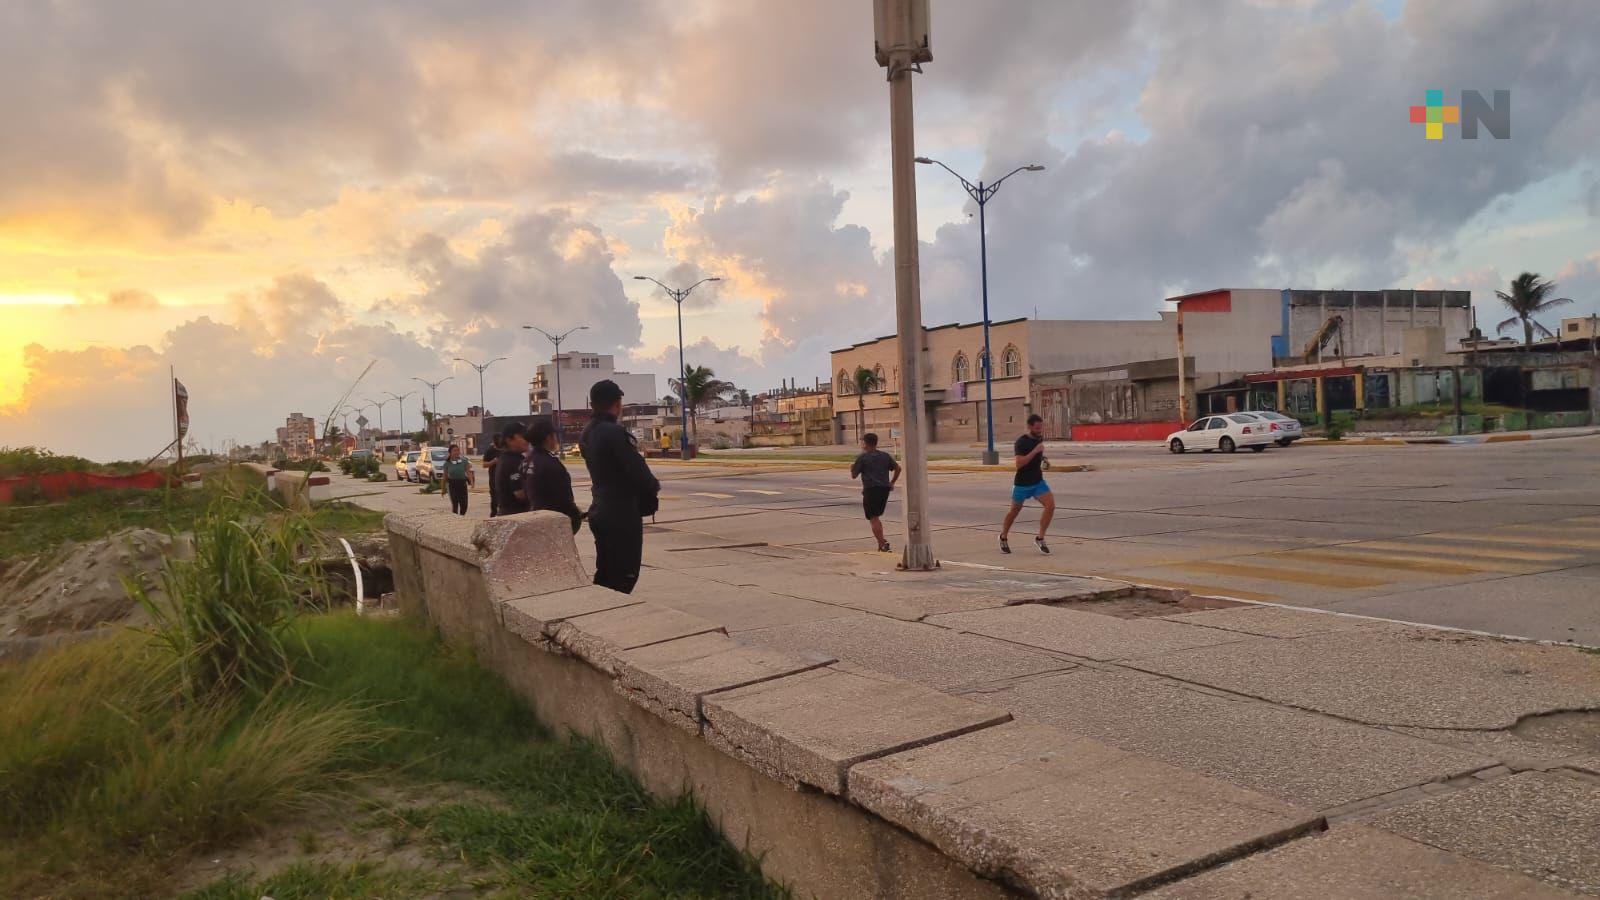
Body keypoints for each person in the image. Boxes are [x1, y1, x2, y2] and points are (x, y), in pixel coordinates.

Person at [580, 379, 660, 594]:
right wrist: (653, 489)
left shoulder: (587, 433)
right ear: (617, 404)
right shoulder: (614, 432)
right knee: (624, 576)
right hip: (621, 514)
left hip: (601, 509)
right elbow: (640, 474)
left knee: (606, 574)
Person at [1000, 414, 1055, 554]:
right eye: (1037, 427)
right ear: (1030, 426)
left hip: (1037, 481)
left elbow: (1037, 455)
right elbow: (1019, 464)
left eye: (1041, 426)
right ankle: (1003, 536)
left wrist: (1043, 459)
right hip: (1022, 484)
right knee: (1014, 512)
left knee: (1050, 506)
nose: (1039, 429)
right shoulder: (1021, 442)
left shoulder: (1039, 438)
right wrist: (1035, 451)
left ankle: (1040, 537)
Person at [519, 420, 583, 533]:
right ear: (548, 438)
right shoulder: (551, 463)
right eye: (555, 435)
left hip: (536, 517)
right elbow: (564, 499)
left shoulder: (526, 462)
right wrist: (575, 516)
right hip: (555, 522)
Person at [849, 432, 901, 552]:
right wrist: (892, 482)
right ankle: (880, 544)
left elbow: (854, 475)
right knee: (876, 516)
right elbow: (898, 468)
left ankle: (882, 543)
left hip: (871, 490)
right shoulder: (885, 456)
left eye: (862, 442)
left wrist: (852, 468)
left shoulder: (863, 457)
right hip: (884, 490)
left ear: (865, 443)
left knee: (873, 518)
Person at [495, 423, 531, 515]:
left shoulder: (509, 458)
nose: (527, 440)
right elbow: (520, 493)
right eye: (523, 437)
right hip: (515, 515)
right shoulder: (512, 462)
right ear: (509, 440)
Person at [442, 444, 474, 515]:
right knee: (455, 504)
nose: (456, 452)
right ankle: (456, 519)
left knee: (464, 505)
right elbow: (444, 477)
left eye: (458, 450)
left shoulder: (464, 461)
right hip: (452, 485)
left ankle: (461, 517)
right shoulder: (447, 463)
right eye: (454, 451)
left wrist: (471, 482)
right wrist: (443, 489)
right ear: (450, 452)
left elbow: (468, 472)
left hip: (462, 484)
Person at [483, 434, 504, 517]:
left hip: (504, 479)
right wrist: (493, 462)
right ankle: (493, 515)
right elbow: (484, 465)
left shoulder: (505, 449)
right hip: (493, 478)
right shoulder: (490, 450)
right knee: (494, 498)